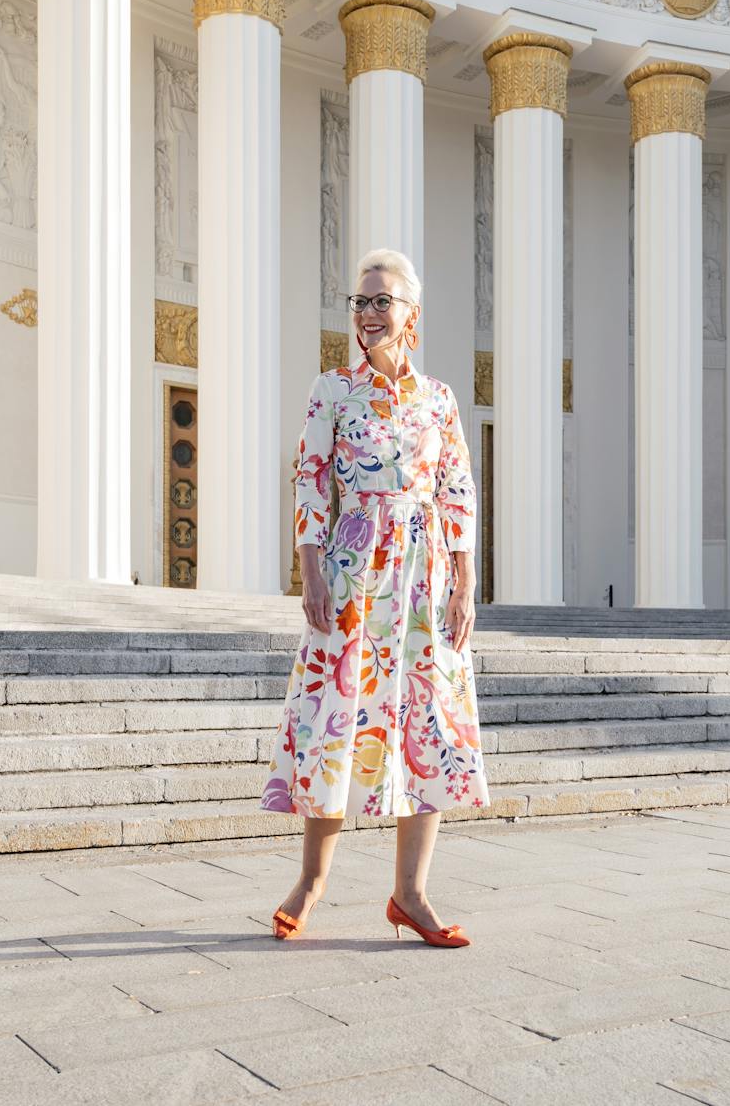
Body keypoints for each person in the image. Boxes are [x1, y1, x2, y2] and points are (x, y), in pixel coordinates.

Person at [260, 248, 486, 948]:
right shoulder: (332, 390)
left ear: (410, 312)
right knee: (336, 714)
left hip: (425, 578)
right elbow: (310, 478)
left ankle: (410, 896)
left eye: (380, 300)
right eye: (359, 301)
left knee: (428, 725)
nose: (366, 313)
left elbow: (455, 489)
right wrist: (311, 568)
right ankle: (311, 882)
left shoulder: (439, 399)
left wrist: (465, 580)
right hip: (356, 567)